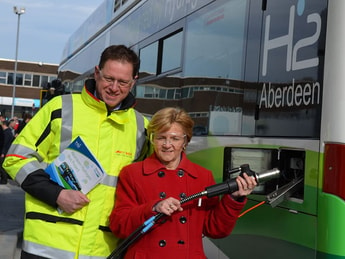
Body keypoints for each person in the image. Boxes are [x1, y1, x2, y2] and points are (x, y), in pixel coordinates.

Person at [3, 45, 151, 259]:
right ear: (97, 73)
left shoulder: (141, 127)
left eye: (123, 82)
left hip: (103, 251)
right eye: (109, 79)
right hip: (47, 247)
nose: (114, 87)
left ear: (134, 81)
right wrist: (57, 195)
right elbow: (15, 159)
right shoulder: (60, 108)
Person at [109, 107, 257, 259]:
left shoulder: (202, 176)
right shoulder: (133, 173)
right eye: (161, 138)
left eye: (175, 138)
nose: (167, 145)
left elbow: (215, 229)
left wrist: (234, 199)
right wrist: (153, 208)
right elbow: (119, 225)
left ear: (185, 141)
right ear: (152, 139)